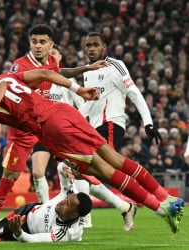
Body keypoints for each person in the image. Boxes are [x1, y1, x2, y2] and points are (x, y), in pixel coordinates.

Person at [0, 68, 184, 234]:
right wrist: (77, 90)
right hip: (63, 111)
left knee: (103, 171)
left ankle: (161, 209)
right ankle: (166, 199)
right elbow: (46, 75)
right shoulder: (5, 76)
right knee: (114, 159)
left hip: (51, 128)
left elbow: (0, 86)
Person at [0, 24, 108, 235]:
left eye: (42, 42)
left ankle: (93, 180)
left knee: (75, 155)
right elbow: (4, 86)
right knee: (9, 178)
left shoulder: (50, 61)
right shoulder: (19, 66)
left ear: (51, 45)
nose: (38, 46)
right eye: (34, 42)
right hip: (21, 128)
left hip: (42, 125)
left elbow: (58, 72)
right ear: (29, 43)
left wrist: (85, 68)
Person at [43, 45, 138, 231]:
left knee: (75, 172)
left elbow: (82, 104)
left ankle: (82, 218)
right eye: (49, 54)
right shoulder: (41, 79)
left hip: (68, 134)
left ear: (60, 56)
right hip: (50, 134)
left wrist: (74, 124)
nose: (50, 56)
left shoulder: (64, 81)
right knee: (81, 175)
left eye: (54, 53)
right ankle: (125, 206)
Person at [80, 32, 162, 151]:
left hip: (111, 124)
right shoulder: (87, 71)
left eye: (96, 45)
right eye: (88, 45)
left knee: (106, 165)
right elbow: (90, 103)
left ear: (104, 47)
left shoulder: (115, 66)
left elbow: (134, 94)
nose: (91, 49)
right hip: (94, 128)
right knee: (98, 167)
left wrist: (148, 123)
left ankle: (138, 170)